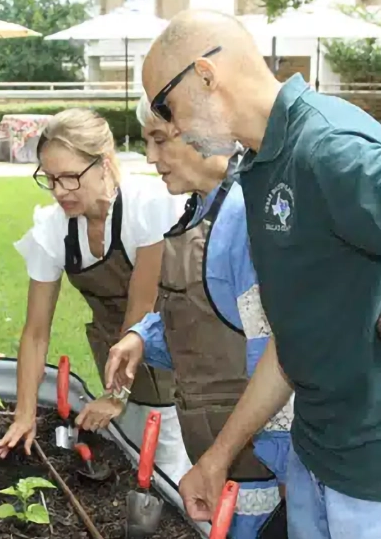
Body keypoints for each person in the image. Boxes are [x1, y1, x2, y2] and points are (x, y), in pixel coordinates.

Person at [141, 10, 381, 539]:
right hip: (318, 458)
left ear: (205, 76)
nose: (171, 126)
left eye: (164, 106)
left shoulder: (324, 146)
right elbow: (294, 339)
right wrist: (217, 458)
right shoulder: (260, 164)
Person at [101, 96, 291, 538]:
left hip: (257, 468)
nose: (151, 157)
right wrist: (142, 336)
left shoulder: (245, 219)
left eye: (161, 140)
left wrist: (288, 481)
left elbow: (279, 358)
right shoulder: (202, 208)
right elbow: (202, 318)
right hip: (221, 460)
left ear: (210, 136)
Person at [0, 108, 192, 483]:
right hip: (117, 365)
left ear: (104, 164)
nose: (58, 192)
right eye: (49, 179)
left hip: (175, 366)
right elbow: (36, 332)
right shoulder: (53, 231)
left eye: (70, 178)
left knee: (168, 479)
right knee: (131, 469)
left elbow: (141, 306)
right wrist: (24, 413)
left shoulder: (147, 207)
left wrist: (117, 395)